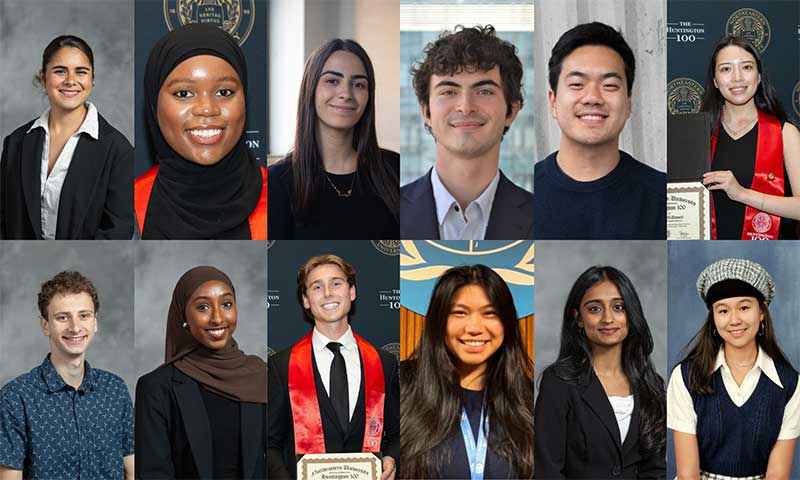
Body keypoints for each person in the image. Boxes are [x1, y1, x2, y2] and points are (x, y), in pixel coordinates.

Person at [267, 254, 399, 479]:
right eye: (317, 287)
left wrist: (392, 457)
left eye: (336, 283)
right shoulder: (281, 365)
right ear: (306, 300)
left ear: (352, 292)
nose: (328, 293)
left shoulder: (383, 362)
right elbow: (269, 442)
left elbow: (398, 431)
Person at [668, 259, 799, 479]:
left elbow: (778, 474)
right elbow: (687, 473)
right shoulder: (686, 376)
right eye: (723, 311)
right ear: (713, 317)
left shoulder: (789, 383)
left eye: (744, 307)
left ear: (762, 312)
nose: (734, 320)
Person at [400, 265, 534, 479]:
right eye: (459, 313)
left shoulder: (528, 398)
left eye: (490, 313)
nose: (474, 327)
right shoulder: (402, 385)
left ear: (506, 323)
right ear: (439, 320)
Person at [134, 24, 266, 239]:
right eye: (184, 93)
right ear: (153, 105)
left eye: (224, 92)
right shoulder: (125, 206)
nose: (207, 108)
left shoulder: (284, 199)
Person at [535, 22, 666, 239]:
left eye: (610, 85)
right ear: (553, 101)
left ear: (629, 103)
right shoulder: (522, 197)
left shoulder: (663, 196)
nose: (593, 97)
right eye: (577, 84)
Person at [401, 25, 534, 240]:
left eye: (484, 91)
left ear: (511, 110)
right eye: (448, 91)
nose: (465, 106)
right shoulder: (387, 211)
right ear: (426, 111)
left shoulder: (545, 216)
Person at [135, 266, 267, 479]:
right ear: (183, 315)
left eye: (226, 304)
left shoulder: (261, 374)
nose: (217, 318)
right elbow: (153, 474)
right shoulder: (156, 387)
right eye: (203, 307)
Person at [0, 271, 134, 479]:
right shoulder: (16, 397)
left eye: (84, 315)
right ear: (45, 326)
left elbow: (132, 468)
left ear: (95, 322)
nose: (75, 327)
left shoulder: (115, 389)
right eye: (62, 317)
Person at [535, 266, 666, 479]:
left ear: (631, 314)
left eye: (618, 307)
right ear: (578, 318)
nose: (607, 318)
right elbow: (547, 469)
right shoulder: (559, 382)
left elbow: (655, 469)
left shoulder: (651, 384)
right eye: (595, 309)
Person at [0, 35, 133, 239]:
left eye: (81, 72)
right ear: (43, 78)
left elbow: (117, 231)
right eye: (60, 71)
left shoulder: (118, 151)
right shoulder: (15, 142)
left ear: (92, 80)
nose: (71, 81)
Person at [268, 39, 399, 239]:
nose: (346, 94)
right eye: (332, 81)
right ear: (310, 89)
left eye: (358, 84)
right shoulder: (275, 183)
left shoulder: (394, 168)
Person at [699, 36, 800, 240]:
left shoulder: (784, 132)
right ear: (716, 81)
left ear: (759, 76)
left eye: (746, 67)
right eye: (726, 69)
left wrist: (742, 194)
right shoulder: (697, 134)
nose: (737, 77)